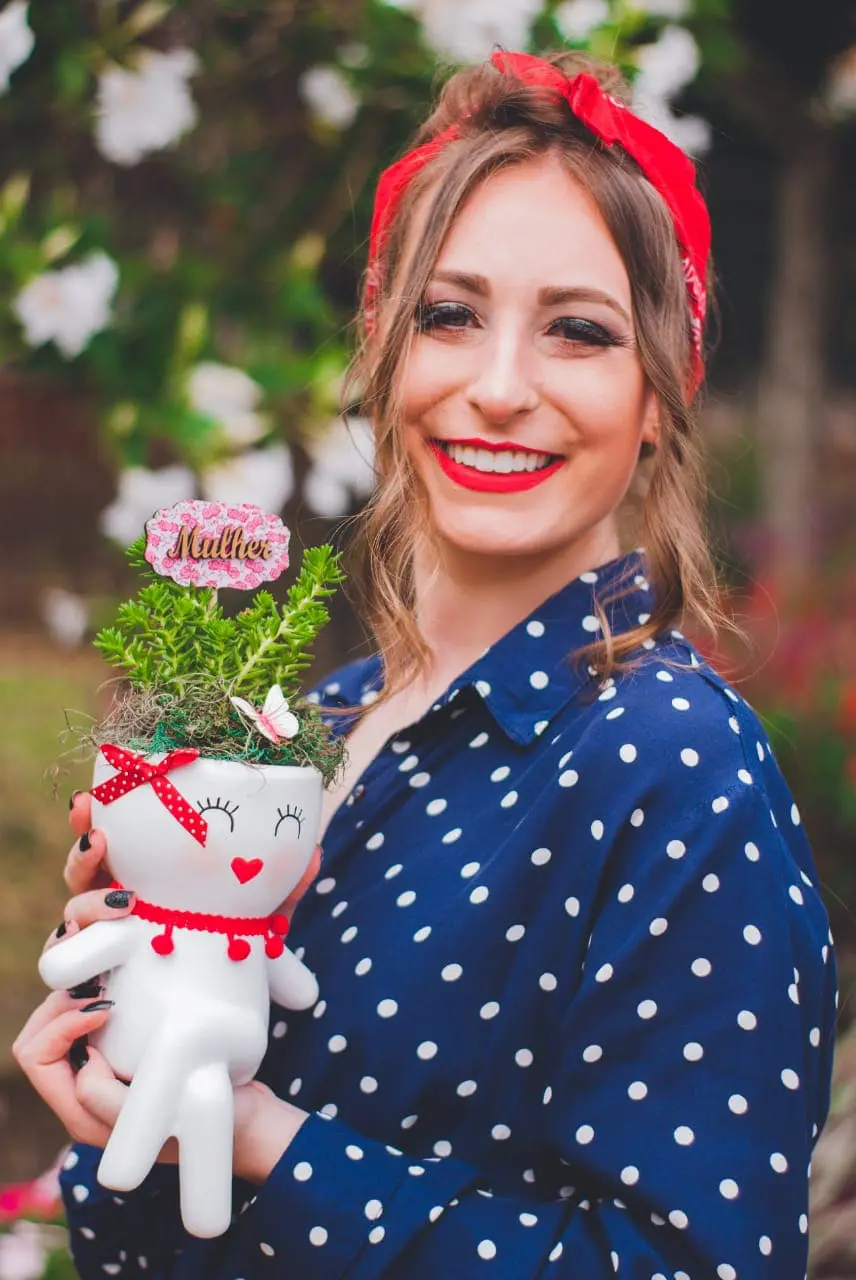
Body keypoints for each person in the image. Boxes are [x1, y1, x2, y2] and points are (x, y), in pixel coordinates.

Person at [15, 47, 838, 1280]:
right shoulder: (310, 727)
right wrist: (132, 1066)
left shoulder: (669, 764)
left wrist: (265, 1139)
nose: (497, 387)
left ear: (662, 392)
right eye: (450, 315)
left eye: (578, 331)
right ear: (385, 345)